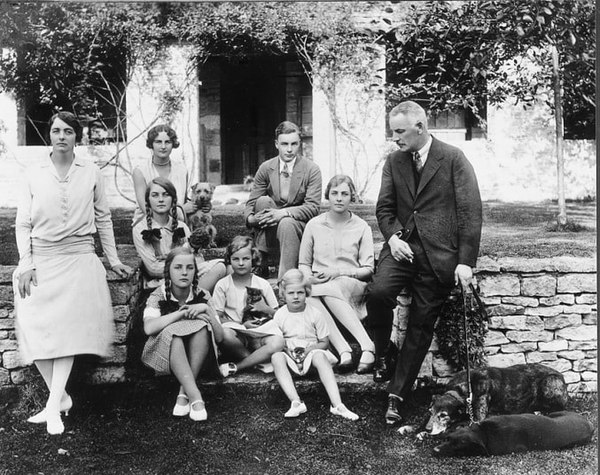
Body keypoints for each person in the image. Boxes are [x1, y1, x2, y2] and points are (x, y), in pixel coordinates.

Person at [13, 111, 132, 435]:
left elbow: (104, 218)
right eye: (55, 130)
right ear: (49, 135)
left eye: (68, 131)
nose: (61, 136)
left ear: (76, 137)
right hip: (43, 258)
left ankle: (53, 408)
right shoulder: (34, 173)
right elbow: (23, 223)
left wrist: (112, 258)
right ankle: (61, 397)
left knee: (66, 332)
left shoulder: (90, 171)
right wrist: (26, 264)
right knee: (32, 324)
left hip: (79, 259)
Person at [365, 100, 482, 425]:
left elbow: (470, 213)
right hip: (402, 249)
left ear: (420, 127)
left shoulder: (453, 158)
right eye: (393, 132)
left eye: (400, 131)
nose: (395, 138)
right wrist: (392, 239)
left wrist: (465, 262)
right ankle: (384, 349)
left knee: (419, 326)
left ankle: (396, 396)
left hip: (439, 257)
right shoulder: (394, 162)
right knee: (377, 294)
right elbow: (384, 209)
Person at [298, 175, 375, 374]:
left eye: (344, 194)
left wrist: (339, 271)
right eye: (334, 193)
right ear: (328, 196)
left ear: (352, 198)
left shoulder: (361, 227)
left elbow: (368, 269)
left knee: (326, 287)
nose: (339, 198)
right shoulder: (314, 225)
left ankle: (367, 345)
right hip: (320, 285)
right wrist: (308, 278)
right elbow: (304, 263)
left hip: (353, 284)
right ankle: (344, 350)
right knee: (309, 292)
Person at [142, 247, 223, 421]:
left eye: (190, 268)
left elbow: (220, 337)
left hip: (199, 355)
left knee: (201, 327)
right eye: (178, 267)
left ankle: (183, 393)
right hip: (167, 356)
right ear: (168, 271)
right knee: (174, 334)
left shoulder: (203, 295)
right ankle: (195, 396)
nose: (184, 273)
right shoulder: (159, 295)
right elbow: (149, 329)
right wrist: (181, 313)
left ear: (195, 271)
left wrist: (207, 311)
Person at [270, 269, 359, 420]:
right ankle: (296, 402)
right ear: (283, 294)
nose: (296, 297)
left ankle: (337, 404)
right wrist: (290, 353)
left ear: (307, 292)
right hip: (291, 356)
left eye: (300, 292)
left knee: (319, 356)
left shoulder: (315, 313)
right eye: (291, 293)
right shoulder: (280, 315)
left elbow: (324, 342)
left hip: (312, 356)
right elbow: (278, 341)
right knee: (276, 356)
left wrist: (309, 350)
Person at [244, 121, 322, 279]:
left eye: (294, 144)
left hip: (297, 226)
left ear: (299, 144)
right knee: (263, 202)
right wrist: (252, 219)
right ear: (276, 144)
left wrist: (284, 213)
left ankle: (285, 281)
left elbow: (313, 208)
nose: (289, 149)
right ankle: (261, 259)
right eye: (284, 144)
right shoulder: (266, 168)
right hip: (269, 225)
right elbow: (251, 204)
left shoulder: (311, 169)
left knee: (286, 222)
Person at [132, 177, 226, 292]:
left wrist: (187, 264)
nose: (161, 199)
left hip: (187, 275)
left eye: (166, 195)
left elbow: (197, 257)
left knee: (224, 267)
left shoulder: (181, 226)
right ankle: (189, 302)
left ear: (173, 200)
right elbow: (153, 268)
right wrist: (185, 266)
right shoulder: (141, 228)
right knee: (219, 269)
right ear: (148, 200)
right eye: (155, 195)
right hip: (162, 282)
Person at [212, 236, 284, 377]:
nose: (240, 263)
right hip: (237, 336)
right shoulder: (223, 284)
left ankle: (240, 366)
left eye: (245, 259)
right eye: (235, 259)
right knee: (224, 334)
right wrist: (242, 325)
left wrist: (265, 308)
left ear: (253, 259)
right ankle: (258, 360)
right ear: (229, 260)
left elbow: (279, 315)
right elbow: (218, 317)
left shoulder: (263, 284)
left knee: (278, 342)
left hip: (260, 333)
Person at [132, 124, 196, 226]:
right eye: (158, 142)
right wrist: (182, 211)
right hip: (148, 228)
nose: (163, 147)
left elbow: (182, 202)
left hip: (177, 227)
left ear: (173, 144)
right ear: (151, 144)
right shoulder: (140, 171)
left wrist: (202, 206)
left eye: (167, 142)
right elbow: (147, 209)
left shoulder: (182, 170)